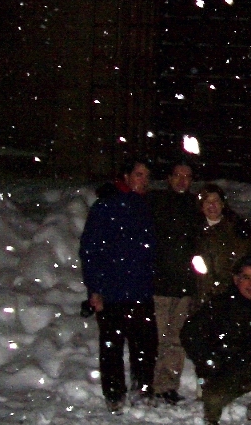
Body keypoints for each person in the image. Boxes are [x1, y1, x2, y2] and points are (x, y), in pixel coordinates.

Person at [79, 157, 159, 412]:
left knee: (145, 345)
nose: (143, 180)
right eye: (138, 174)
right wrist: (95, 288)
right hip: (112, 290)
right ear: (126, 176)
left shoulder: (146, 205)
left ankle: (142, 389)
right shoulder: (106, 206)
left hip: (140, 289)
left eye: (147, 176)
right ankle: (114, 394)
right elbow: (90, 250)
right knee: (112, 346)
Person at [181, 258, 251, 425]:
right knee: (214, 399)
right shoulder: (219, 305)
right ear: (236, 279)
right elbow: (189, 333)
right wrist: (208, 361)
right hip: (224, 369)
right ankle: (210, 421)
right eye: (246, 278)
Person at [147, 160, 204, 405]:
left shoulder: (195, 206)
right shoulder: (155, 202)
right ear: (169, 178)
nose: (182, 180)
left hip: (184, 285)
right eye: (177, 175)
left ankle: (168, 386)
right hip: (159, 284)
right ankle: (150, 384)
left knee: (176, 340)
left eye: (187, 176)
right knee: (156, 339)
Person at [194, 183, 250, 305]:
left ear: (223, 204)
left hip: (226, 297)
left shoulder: (236, 230)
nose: (212, 205)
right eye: (207, 202)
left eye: (216, 201)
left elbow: (240, 264)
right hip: (197, 297)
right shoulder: (193, 230)